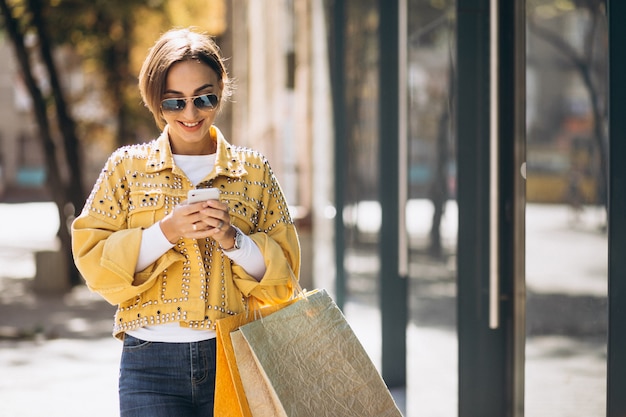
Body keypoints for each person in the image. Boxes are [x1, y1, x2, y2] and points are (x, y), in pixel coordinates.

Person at [71, 27, 300, 417]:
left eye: (203, 97)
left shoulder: (255, 171)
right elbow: (94, 264)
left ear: (221, 88)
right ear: (155, 101)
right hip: (150, 364)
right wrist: (167, 231)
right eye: (174, 102)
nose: (190, 114)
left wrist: (233, 240)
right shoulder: (126, 169)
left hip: (237, 357)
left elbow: (285, 281)